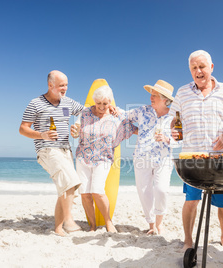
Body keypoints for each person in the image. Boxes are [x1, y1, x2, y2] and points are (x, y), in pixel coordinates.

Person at [170, 50, 223, 250]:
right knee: (191, 199)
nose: (198, 71)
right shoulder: (182, 92)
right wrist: (175, 132)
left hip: (221, 157)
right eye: (194, 68)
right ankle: (187, 240)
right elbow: (174, 121)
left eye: (202, 66)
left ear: (211, 67)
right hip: (192, 157)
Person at [19, 70, 84, 236]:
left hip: (66, 150)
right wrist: (42, 135)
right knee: (71, 181)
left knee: (65, 188)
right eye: (61, 85)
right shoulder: (36, 103)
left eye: (67, 85)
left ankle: (58, 228)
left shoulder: (68, 103)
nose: (65, 88)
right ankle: (69, 220)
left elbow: (86, 112)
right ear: (50, 85)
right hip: (47, 150)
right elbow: (23, 128)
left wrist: (76, 125)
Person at [71, 85, 136, 232]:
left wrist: (150, 134)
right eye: (98, 103)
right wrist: (74, 132)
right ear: (94, 101)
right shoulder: (85, 113)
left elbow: (132, 128)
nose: (101, 107)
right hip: (83, 157)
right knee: (85, 193)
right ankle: (92, 226)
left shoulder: (116, 115)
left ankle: (108, 222)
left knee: (97, 190)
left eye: (105, 104)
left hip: (103, 158)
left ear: (110, 102)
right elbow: (76, 132)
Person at [125, 80, 175, 235]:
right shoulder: (142, 111)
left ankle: (159, 223)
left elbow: (180, 139)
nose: (151, 98)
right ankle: (152, 225)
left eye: (155, 95)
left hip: (164, 158)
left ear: (165, 100)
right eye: (151, 95)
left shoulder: (174, 117)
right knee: (144, 191)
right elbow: (124, 117)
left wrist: (167, 139)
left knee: (162, 190)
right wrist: (136, 131)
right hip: (141, 157)